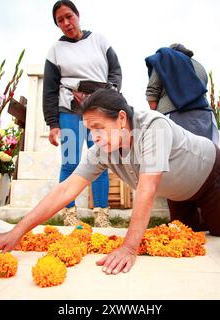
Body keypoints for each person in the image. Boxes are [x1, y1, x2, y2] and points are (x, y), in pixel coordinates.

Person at [0, 89, 220, 275]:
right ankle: (199, 215)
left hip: (209, 174)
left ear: (121, 118)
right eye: (90, 131)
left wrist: (129, 248)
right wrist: (15, 232)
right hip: (178, 192)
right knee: (190, 237)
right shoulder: (102, 149)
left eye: (99, 128)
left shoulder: (154, 127)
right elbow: (66, 190)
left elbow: (147, 189)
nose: (94, 137)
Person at [43, 0, 123, 227]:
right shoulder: (55, 51)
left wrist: (108, 95)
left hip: (99, 110)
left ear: (77, 15)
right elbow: (49, 90)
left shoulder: (99, 40)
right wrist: (53, 123)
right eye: (60, 20)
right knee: (70, 161)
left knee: (100, 159)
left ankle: (101, 215)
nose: (67, 23)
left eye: (69, 16)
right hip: (69, 110)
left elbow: (115, 71)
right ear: (57, 25)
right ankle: (68, 214)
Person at [145, 44, 219, 144]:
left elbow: (152, 93)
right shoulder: (200, 67)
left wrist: (156, 117)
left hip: (173, 116)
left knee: (172, 157)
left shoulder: (164, 60)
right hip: (205, 117)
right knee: (202, 157)